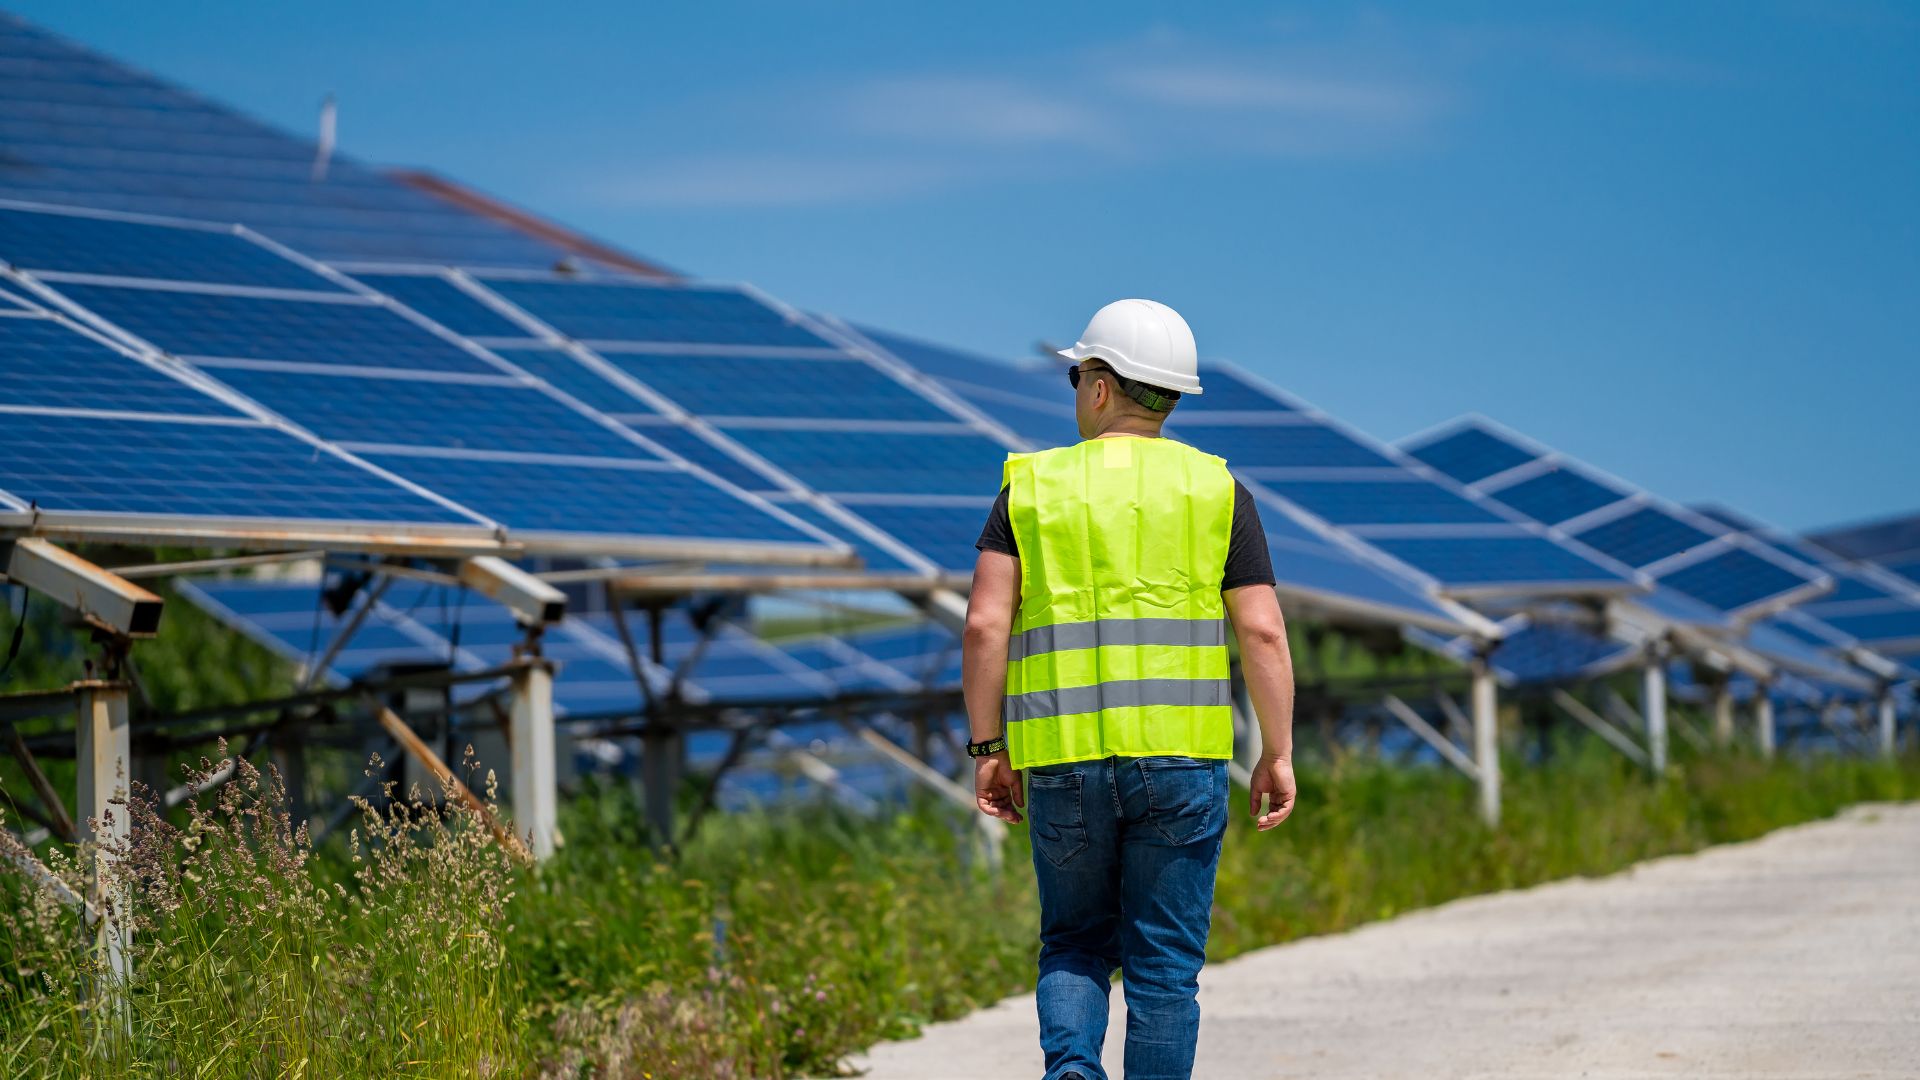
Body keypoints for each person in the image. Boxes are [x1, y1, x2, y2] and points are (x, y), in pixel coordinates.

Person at [963, 299, 1298, 1080]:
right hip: (1182, 763)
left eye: (1079, 373)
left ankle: (1073, 1072)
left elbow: (984, 625)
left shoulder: (1032, 488)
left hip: (1064, 762)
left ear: (1104, 386)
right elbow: (1264, 633)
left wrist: (988, 749)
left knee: (1076, 943)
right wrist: (1276, 752)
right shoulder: (1216, 491)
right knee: (1163, 969)